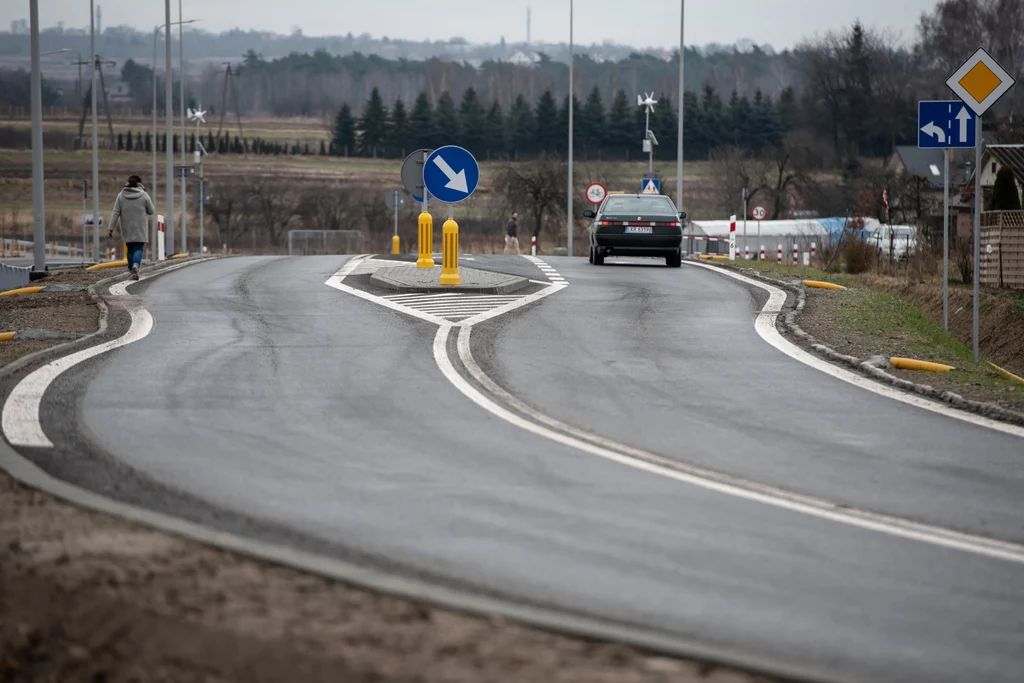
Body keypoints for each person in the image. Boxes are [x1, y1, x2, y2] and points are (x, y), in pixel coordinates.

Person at [108, 175, 154, 280]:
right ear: (140, 183)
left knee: (130, 248)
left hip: (126, 226)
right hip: (140, 226)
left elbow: (116, 212)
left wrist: (111, 228)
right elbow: (151, 211)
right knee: (138, 248)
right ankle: (136, 265)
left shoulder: (121, 195)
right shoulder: (144, 195)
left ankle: (130, 270)